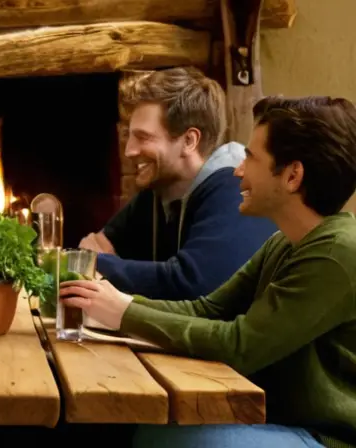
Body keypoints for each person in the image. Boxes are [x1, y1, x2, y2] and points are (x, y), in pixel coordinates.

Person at [61, 95, 356, 447]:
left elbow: (240, 344)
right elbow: (207, 309)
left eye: (251, 157)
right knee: (141, 428)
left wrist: (124, 313)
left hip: (326, 438)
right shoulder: (284, 242)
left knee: (169, 440)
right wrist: (110, 305)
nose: (237, 170)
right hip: (279, 421)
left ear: (292, 175)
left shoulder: (335, 254)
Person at [79, 67, 277, 300]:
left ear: (189, 141)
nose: (129, 150)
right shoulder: (159, 192)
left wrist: (97, 264)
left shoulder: (236, 187)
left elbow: (192, 284)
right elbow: (93, 245)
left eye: (143, 137)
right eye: (128, 136)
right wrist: (98, 262)